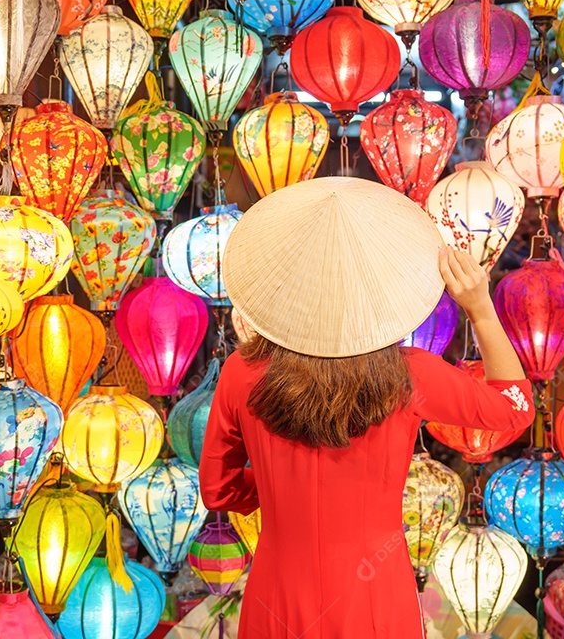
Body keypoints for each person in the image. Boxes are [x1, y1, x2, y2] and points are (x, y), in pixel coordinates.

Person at [200, 177, 534, 639]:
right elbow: (514, 409)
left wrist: (282, 488)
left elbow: (218, 491)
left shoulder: (242, 370)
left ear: (285, 282)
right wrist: (480, 309)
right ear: (378, 285)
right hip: (375, 592)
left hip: (276, 590)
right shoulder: (409, 373)